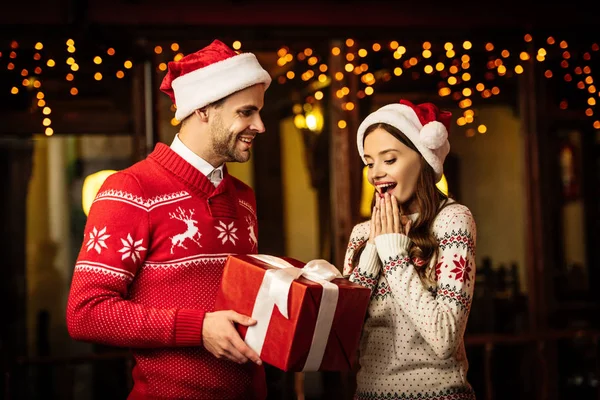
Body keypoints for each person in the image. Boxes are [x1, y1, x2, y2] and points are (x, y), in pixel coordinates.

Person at [66, 39, 272, 399]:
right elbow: (85, 312)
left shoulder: (243, 197)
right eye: (246, 112)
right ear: (204, 109)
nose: (260, 125)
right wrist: (199, 328)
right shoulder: (130, 189)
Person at [343, 100, 477, 400]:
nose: (375, 173)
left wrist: (393, 255)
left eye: (389, 160)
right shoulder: (362, 235)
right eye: (369, 162)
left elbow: (444, 339)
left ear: (424, 159)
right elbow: (343, 340)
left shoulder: (452, 220)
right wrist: (371, 255)